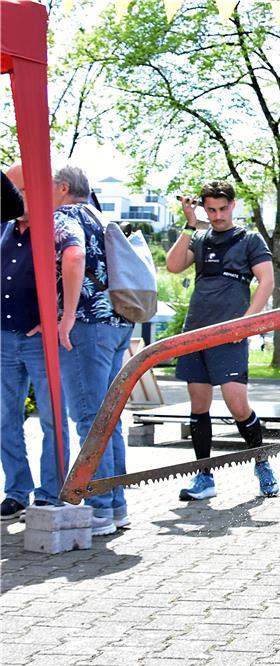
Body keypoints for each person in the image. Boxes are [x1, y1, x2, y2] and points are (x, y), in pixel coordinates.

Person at [165, 180, 278, 501]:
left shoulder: (249, 239)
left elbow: (267, 281)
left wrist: (246, 323)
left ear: (233, 205)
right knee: (198, 404)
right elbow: (173, 265)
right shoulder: (200, 238)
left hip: (230, 333)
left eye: (222, 208)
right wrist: (190, 224)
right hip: (195, 331)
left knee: (237, 404)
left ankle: (261, 462)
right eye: (210, 210)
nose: (217, 215)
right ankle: (204, 477)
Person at [51, 165, 133, 535]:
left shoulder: (64, 216)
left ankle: (100, 508)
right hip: (118, 322)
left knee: (89, 418)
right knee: (108, 418)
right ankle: (115, 506)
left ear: (63, 187)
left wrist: (67, 315)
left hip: (86, 324)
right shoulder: (100, 216)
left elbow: (73, 256)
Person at [1, 163, 70, 521]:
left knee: (52, 419)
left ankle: (51, 493)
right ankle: (16, 491)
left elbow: (79, 272)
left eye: (20, 190)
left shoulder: (57, 229)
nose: (13, 198)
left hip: (41, 342)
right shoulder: (3, 228)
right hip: (3, 337)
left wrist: (56, 316)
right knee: (4, 418)